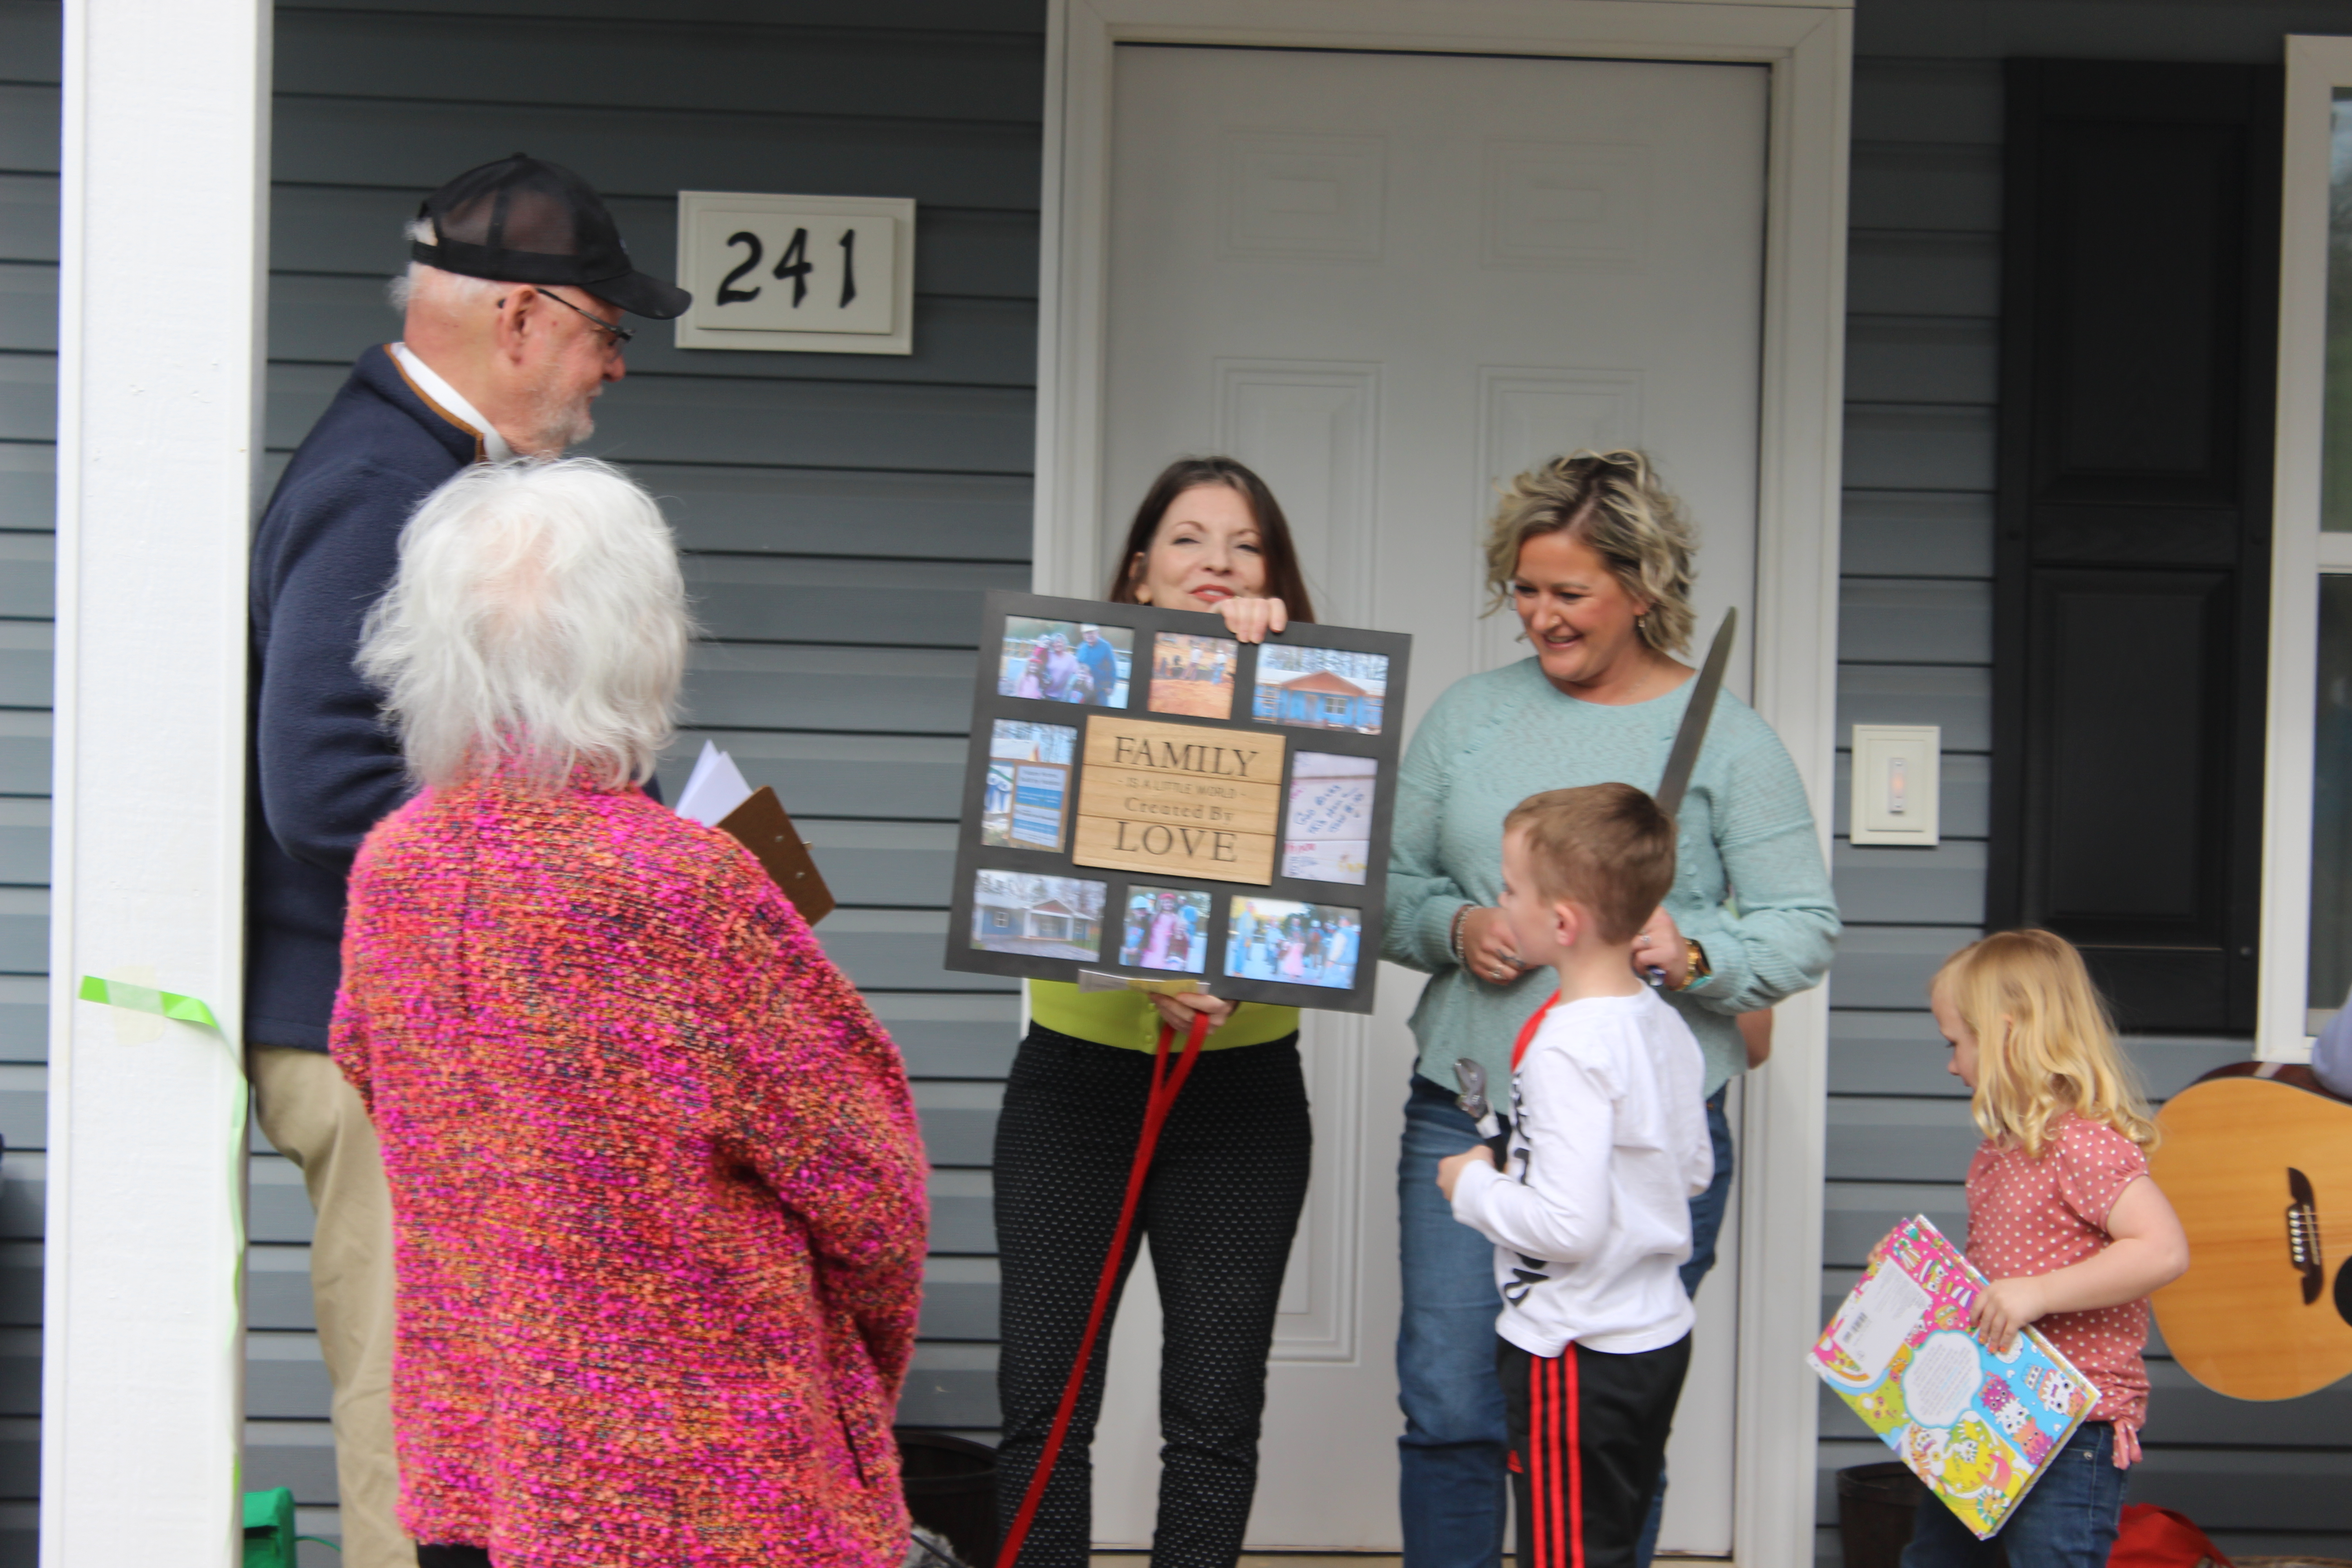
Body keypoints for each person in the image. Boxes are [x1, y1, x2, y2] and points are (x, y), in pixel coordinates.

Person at [333, 459, 926, 1568]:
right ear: (643, 638)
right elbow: (868, 1187)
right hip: (703, 1487)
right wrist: (855, 1374)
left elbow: (370, 1070)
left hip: (482, 1455)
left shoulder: (393, 866)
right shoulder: (681, 887)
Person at [244, 152, 688, 1568]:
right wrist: (568, 869)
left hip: (422, 1020)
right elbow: (323, 785)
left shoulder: (430, 469)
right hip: (370, 1033)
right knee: (413, 1427)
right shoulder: (384, 482)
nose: (612, 369)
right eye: (607, 332)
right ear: (522, 321)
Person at [1383, 451, 1839, 1568]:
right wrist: (1453, 926)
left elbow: (1802, 922)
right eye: (1524, 589)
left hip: (1644, 1126)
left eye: (1568, 591)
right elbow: (1380, 887)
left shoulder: (1726, 737)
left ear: (1641, 587)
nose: (1539, 616)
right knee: (1450, 1398)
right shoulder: (1466, 719)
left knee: (1609, 1423)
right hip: (1468, 1107)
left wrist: (1693, 952)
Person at [994, 455, 1313, 1568]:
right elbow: (1023, 873)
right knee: (1044, 1403)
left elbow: (1323, 901)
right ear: (1138, 575)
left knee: (1215, 1417)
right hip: (1074, 1088)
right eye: (1187, 539)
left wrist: (1257, 683)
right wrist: (1141, 960)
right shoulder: (1063, 676)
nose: (1215, 562)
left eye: (1243, 544)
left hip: (1240, 1100)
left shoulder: (1309, 695)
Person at [1436, 784, 1714, 1568]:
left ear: (1560, 922)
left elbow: (1566, 1228)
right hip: (1652, 1336)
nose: (1500, 900)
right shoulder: (1661, 1020)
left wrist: (1472, 1187)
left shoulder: (1565, 1047)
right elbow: (1691, 1169)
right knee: (1607, 1541)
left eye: (1509, 888)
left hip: (1573, 1351)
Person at [1908, 930, 2190, 1568]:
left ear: (2006, 1033)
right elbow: (1995, 1284)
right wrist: (1911, 1279)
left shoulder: (2082, 1145)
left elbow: (2162, 1249)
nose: (1952, 1064)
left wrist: (2040, 1294)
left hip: (2069, 1425)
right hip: (1989, 1413)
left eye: (1956, 1043)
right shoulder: (2001, 1153)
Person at [1078, 622, 1122, 704]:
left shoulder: (1106, 646)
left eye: (1091, 633)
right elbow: (1078, 666)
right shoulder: (1082, 647)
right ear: (1083, 635)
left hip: (1101, 691)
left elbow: (1112, 668)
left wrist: (1111, 686)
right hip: (1085, 690)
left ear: (1097, 633)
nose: (1089, 635)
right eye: (1086, 633)